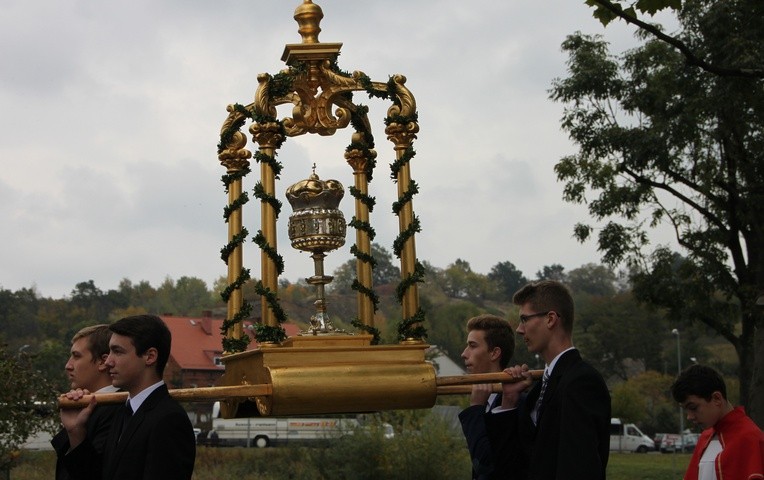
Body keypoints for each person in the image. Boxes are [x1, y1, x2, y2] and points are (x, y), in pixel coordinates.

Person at [497, 280, 611, 480]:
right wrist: (509, 401)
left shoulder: (581, 382)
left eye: (525, 319)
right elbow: (516, 463)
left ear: (550, 319)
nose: (519, 329)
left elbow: (579, 468)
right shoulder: (540, 387)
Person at [61, 314, 196, 480]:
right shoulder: (124, 413)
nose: (108, 361)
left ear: (150, 356)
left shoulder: (169, 419)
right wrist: (76, 432)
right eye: (109, 351)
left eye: (117, 352)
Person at [671, 364, 764, 480]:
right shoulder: (705, 438)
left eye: (693, 407)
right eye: (686, 410)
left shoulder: (751, 438)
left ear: (717, 398)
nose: (689, 417)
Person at [52, 325, 120, 480]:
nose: (68, 365)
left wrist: (76, 433)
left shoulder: (118, 410)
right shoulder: (91, 408)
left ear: (103, 362)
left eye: (76, 356)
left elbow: (94, 474)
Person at [458, 314, 517, 480]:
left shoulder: (516, 404)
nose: (464, 353)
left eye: (472, 346)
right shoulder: (489, 402)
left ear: (494, 353)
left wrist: (476, 408)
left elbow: (485, 465)